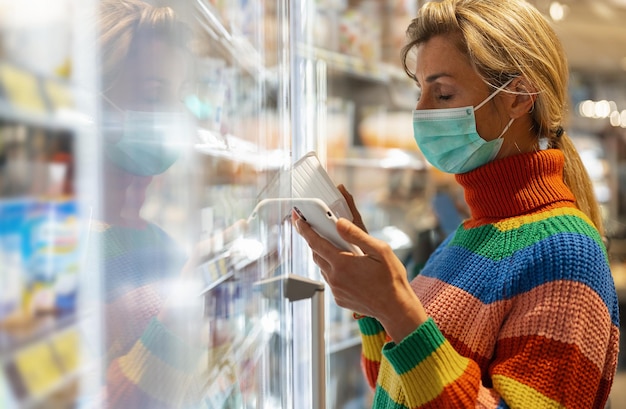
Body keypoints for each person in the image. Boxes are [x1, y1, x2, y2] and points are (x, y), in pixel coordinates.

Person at [294, 0, 620, 407]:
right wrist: (372, 303)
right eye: (421, 92)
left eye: (443, 92)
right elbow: (394, 385)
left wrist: (397, 311)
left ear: (518, 97)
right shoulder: (466, 236)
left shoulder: (567, 253)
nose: (420, 112)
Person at [86, 1, 245, 407]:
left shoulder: (160, 244)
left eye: (177, 96)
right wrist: (187, 306)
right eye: (154, 94)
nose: (174, 116)